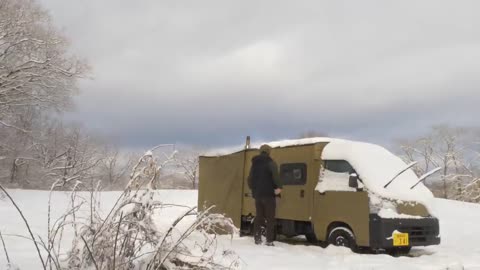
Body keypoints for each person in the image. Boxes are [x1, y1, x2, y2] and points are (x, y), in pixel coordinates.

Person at [248, 144, 282, 246]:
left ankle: (257, 239)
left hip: (258, 195)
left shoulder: (254, 164)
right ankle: (269, 240)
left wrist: (254, 189)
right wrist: (279, 188)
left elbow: (249, 179)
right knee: (270, 218)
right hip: (269, 195)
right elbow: (276, 177)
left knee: (259, 217)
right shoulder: (271, 163)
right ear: (268, 152)